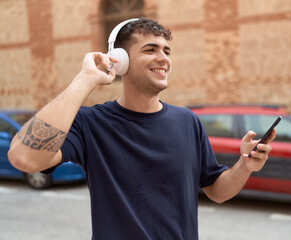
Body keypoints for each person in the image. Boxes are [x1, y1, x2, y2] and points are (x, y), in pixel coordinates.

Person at [8, 17, 275, 239]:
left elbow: (216, 191)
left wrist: (245, 166)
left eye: (166, 51)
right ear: (120, 60)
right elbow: (24, 157)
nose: (163, 58)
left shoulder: (187, 121)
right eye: (150, 50)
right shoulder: (91, 123)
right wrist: (86, 79)